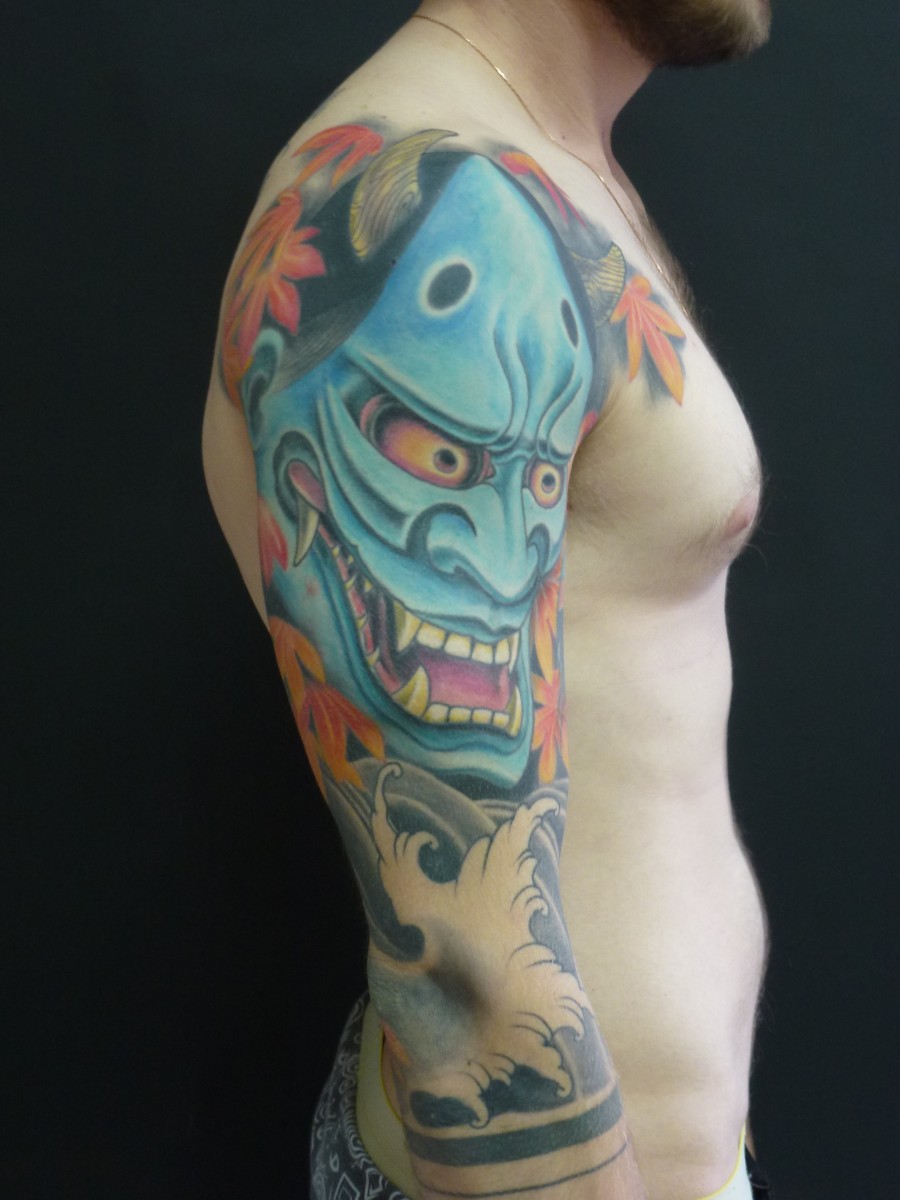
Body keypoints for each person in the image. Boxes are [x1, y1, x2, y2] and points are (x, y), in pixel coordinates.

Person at [202, 1, 777, 1196]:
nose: (496, 533)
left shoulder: (548, 164)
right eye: (438, 455)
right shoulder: (430, 201)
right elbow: (465, 966)